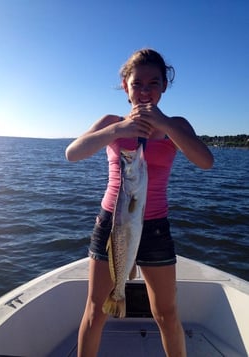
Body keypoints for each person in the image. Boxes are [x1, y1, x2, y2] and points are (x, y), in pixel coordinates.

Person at [65, 48, 214, 357]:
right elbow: (73, 153)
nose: (145, 91)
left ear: (164, 87)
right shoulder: (111, 122)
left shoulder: (177, 125)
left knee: (166, 313)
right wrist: (118, 130)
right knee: (96, 310)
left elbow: (206, 162)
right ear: (126, 86)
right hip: (113, 224)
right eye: (137, 84)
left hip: (155, 228)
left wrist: (165, 124)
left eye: (154, 83)